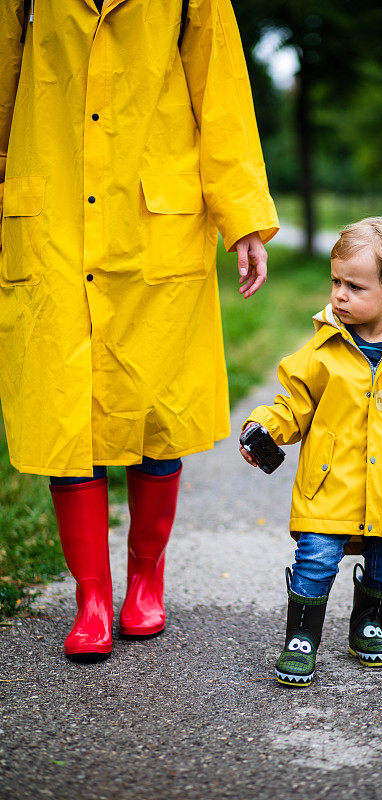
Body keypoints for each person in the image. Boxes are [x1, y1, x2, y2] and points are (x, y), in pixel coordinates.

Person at [0, 0, 279, 661]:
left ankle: (145, 583)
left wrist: (241, 216)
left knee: (158, 403)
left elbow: (221, 85)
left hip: (156, 213)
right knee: (67, 412)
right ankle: (91, 598)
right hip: (53, 211)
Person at [240, 217, 382, 687]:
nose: (339, 294)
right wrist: (267, 428)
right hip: (331, 484)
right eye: (335, 282)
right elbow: (294, 402)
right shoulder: (323, 349)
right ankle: (301, 639)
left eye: (354, 286)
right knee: (316, 559)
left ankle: (368, 625)